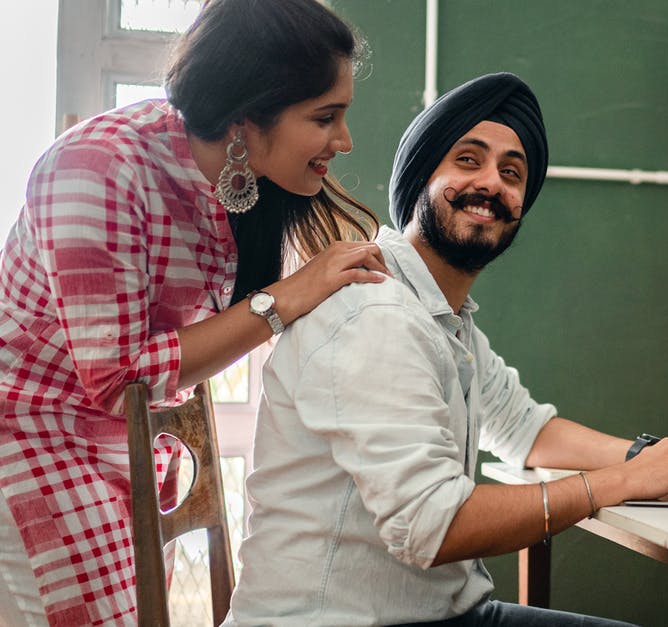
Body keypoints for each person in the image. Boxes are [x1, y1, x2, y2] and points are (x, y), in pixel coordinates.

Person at [224, 72, 668, 626]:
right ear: (421, 175)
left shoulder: (445, 317)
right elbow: (432, 526)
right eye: (468, 160)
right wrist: (622, 482)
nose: (493, 183)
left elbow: (524, 428)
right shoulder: (375, 309)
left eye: (512, 172)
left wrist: (653, 458)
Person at [0, 0, 390, 624]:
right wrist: (284, 299)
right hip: (26, 440)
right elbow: (117, 377)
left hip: (128, 446)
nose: (344, 141)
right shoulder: (95, 170)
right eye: (326, 117)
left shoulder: (247, 183)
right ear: (245, 115)